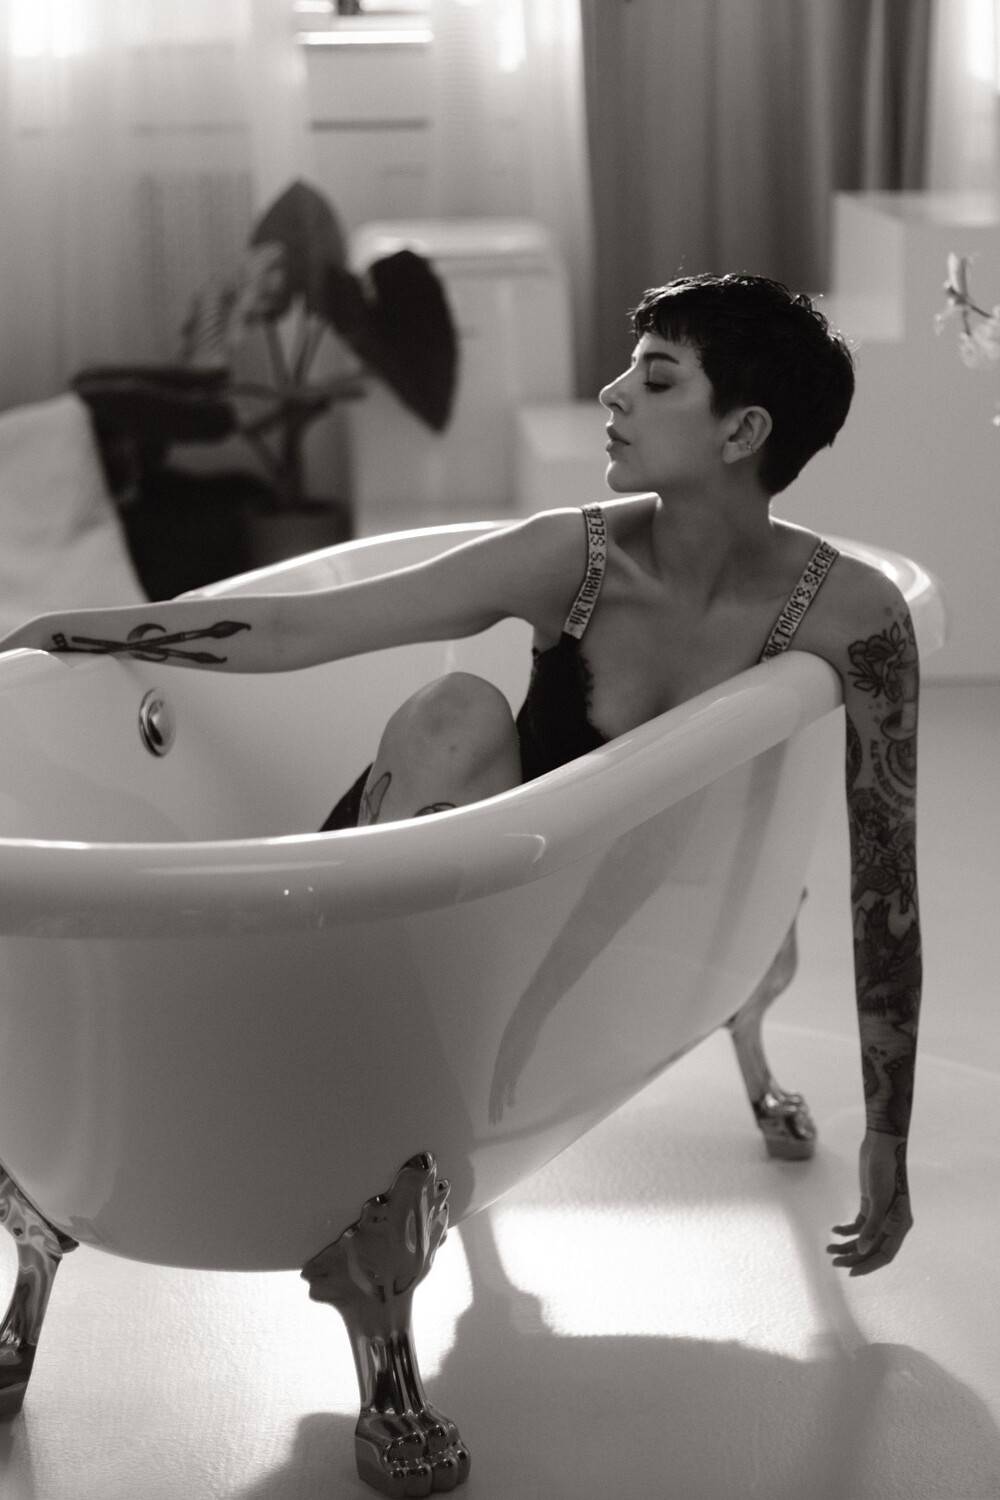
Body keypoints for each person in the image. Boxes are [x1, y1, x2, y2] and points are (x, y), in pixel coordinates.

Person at [0, 273, 921, 1278]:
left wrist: (887, 1139)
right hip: (466, 899)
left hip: (645, 919)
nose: (612, 393)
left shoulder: (854, 616)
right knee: (457, 710)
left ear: (743, 432)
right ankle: (312, 1036)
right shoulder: (575, 557)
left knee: (466, 719)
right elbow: (307, 627)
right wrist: (75, 633)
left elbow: (885, 885)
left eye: (656, 380)